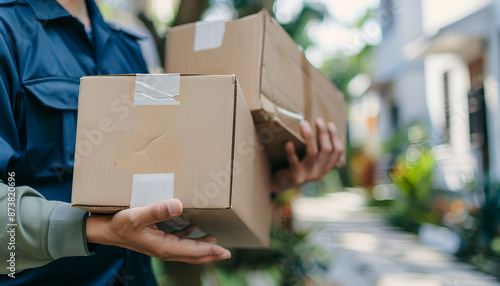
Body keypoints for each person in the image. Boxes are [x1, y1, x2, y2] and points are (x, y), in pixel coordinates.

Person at [0, 0, 344, 285]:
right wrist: (96, 229)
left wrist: (268, 181)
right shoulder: (7, 31)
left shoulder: (127, 49)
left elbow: (165, 182)